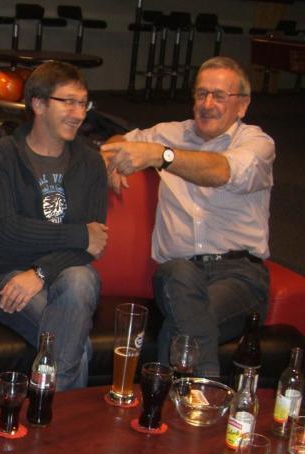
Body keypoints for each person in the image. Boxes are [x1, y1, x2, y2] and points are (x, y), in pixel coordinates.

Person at [100, 56, 274, 378]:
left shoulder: (257, 144)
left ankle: (189, 391)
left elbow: (221, 171)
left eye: (219, 96)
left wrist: (162, 155)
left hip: (239, 275)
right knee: (178, 276)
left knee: (185, 324)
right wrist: (112, 160)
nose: (207, 104)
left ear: (243, 105)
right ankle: (203, 395)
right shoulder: (168, 132)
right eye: (201, 94)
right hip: (177, 274)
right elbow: (114, 143)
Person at [0, 61, 108, 391]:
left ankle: (47, 410)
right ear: (37, 103)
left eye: (84, 103)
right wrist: (78, 234)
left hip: (64, 276)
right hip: (9, 277)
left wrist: (40, 273)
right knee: (77, 344)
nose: (79, 114)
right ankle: (59, 417)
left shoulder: (91, 162)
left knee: (80, 278)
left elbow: (94, 246)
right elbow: (4, 232)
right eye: (69, 102)